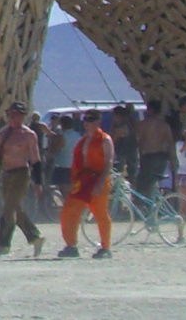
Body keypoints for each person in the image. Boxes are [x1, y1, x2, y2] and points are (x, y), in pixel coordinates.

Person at [0, 103, 44, 257]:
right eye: (11, 114)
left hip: (21, 174)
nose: (14, 118)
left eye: (17, 115)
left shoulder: (29, 135)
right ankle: (35, 237)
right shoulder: (2, 134)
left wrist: (38, 182)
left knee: (8, 209)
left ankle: (3, 244)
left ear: (23, 116)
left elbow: (36, 160)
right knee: (14, 208)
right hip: (7, 174)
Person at [57, 111, 115, 259]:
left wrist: (101, 181)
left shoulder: (105, 139)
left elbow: (109, 161)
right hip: (83, 180)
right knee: (69, 210)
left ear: (98, 122)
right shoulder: (83, 140)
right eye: (85, 120)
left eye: (90, 120)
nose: (87, 123)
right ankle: (71, 245)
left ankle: (105, 247)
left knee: (100, 213)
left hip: (98, 179)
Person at [133, 103, 174, 202]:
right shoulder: (164, 125)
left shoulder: (144, 124)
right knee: (157, 181)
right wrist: (172, 160)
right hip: (162, 156)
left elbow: (140, 141)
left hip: (149, 156)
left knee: (143, 183)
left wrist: (140, 156)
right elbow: (170, 143)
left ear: (150, 110)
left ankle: (144, 205)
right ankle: (161, 203)